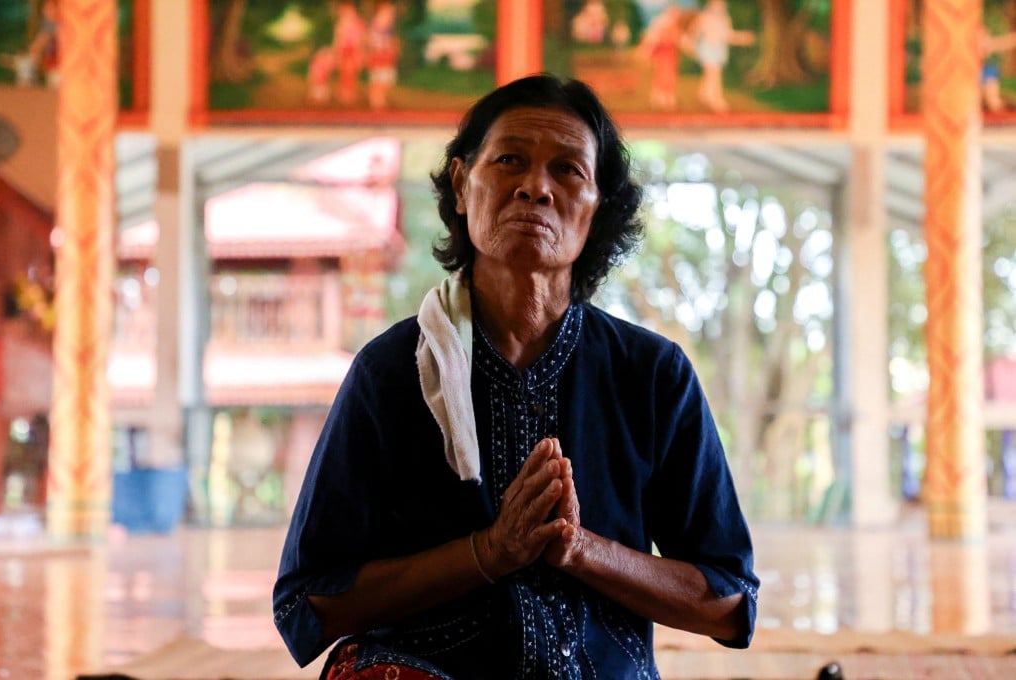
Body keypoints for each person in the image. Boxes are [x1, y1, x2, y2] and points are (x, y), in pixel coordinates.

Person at [273, 74, 759, 679]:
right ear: (460, 183)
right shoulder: (391, 371)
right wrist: (488, 553)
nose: (535, 188)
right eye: (509, 161)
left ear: (598, 206)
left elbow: (729, 602)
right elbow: (309, 601)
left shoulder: (654, 375)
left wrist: (582, 551)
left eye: (568, 171)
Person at [687, 0, 755, 113]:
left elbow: (729, 35)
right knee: (714, 75)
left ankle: (704, 95)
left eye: (721, 4)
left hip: (719, 50)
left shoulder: (725, 19)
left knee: (711, 74)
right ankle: (716, 100)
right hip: (708, 49)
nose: (719, 6)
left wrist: (743, 38)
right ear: (710, 4)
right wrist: (691, 43)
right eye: (716, 4)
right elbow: (694, 31)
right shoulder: (704, 17)